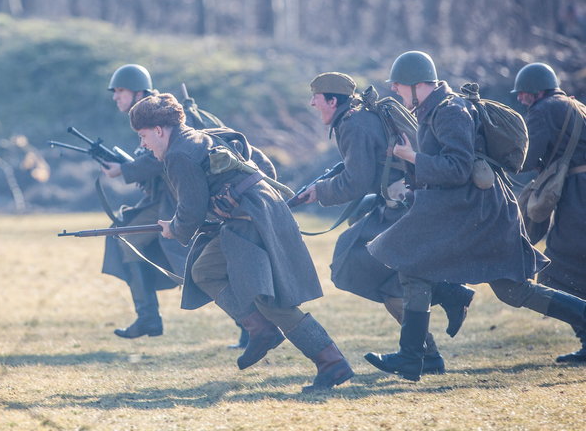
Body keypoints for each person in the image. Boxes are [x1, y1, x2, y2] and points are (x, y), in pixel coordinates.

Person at [363, 51, 586, 382]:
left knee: (513, 290)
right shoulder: (434, 110)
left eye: (398, 86)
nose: (395, 92)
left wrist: (413, 156)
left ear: (416, 84)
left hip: (480, 212)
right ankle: (412, 357)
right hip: (466, 209)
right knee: (417, 270)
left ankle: (415, 353)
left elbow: (457, 167)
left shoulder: (450, 111)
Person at [129, 93, 354, 392]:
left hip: (251, 220)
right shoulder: (202, 136)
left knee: (267, 299)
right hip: (255, 213)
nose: (143, 144)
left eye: (143, 136)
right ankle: (259, 329)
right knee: (204, 270)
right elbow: (258, 161)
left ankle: (331, 362)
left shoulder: (178, 155)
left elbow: (192, 208)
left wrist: (175, 229)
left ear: (158, 130)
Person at [296, 72, 475, 375]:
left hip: (403, 207)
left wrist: (320, 192)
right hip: (401, 204)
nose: (312, 103)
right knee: (385, 280)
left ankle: (446, 299)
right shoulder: (357, 118)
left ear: (332, 100)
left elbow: (356, 182)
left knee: (358, 262)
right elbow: (366, 169)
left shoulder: (352, 124)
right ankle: (428, 350)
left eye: (316, 97)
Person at [100, 64, 249, 347]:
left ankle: (251, 324)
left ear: (138, 91)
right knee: (125, 236)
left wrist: (126, 170)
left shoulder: (161, 114)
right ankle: (148, 317)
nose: (115, 97)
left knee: (201, 269)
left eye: (120, 90)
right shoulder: (145, 115)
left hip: (184, 201)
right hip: (162, 201)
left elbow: (169, 156)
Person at [513, 62, 586, 363]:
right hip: (578, 189)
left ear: (538, 91)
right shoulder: (576, 106)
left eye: (524, 94)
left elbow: (528, 155)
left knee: (558, 266)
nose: (520, 99)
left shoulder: (543, 110)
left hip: (578, 194)